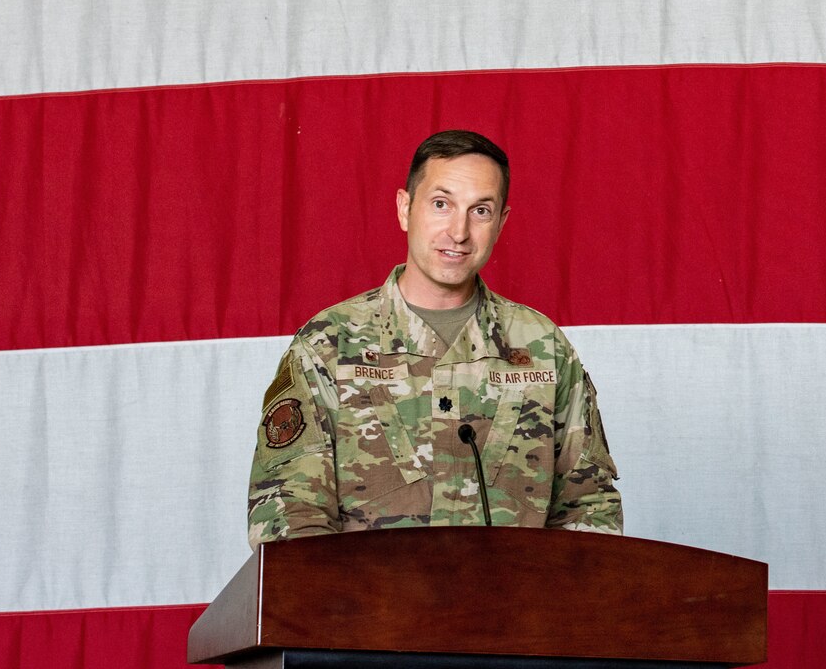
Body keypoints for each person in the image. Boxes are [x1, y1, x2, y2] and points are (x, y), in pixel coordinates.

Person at [247, 129, 622, 545]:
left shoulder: (543, 348)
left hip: (515, 609)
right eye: (441, 204)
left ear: (501, 222)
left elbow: (590, 507)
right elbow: (287, 513)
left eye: (480, 210)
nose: (458, 232)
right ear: (405, 209)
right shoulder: (328, 345)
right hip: (371, 609)